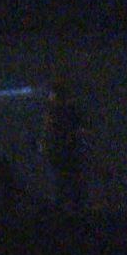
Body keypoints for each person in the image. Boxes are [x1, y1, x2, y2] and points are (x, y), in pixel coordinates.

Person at [40, 81, 87, 210]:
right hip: (59, 154)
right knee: (61, 185)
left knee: (66, 185)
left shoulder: (66, 113)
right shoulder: (52, 113)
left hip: (66, 154)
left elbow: (77, 132)